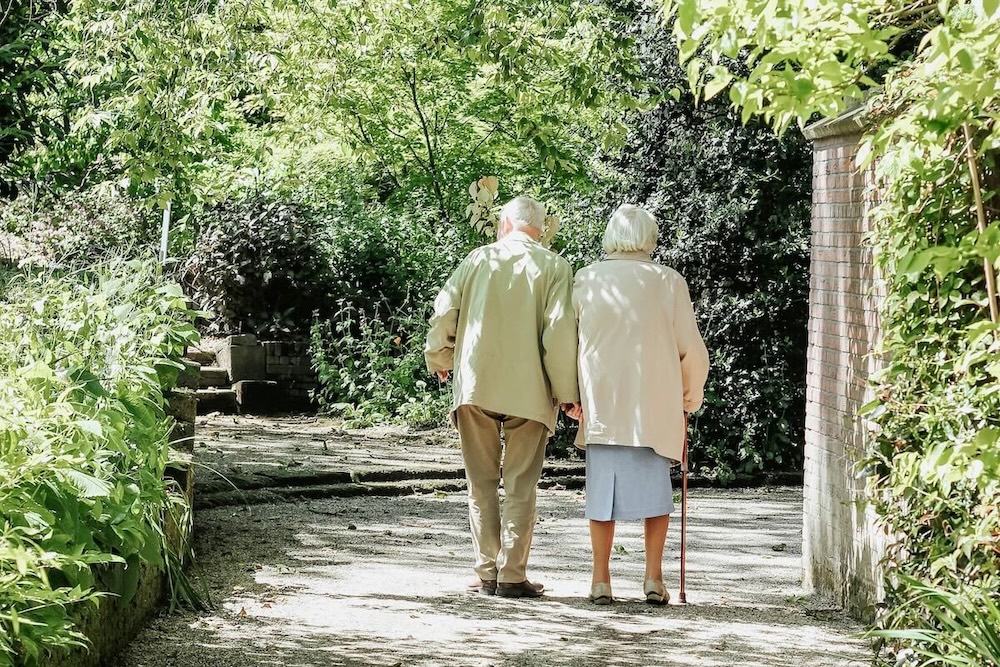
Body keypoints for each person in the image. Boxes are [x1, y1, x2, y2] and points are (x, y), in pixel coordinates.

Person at [425, 195, 580, 599]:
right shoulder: (555, 267)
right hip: (530, 391)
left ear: (505, 224)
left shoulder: (477, 260)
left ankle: (486, 571)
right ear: (540, 229)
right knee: (520, 484)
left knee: (480, 482)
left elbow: (445, 312)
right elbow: (559, 333)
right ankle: (512, 575)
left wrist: (439, 356)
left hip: (477, 384)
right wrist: (567, 393)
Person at [569, 204, 709, 606]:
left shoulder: (586, 279)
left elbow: (569, 343)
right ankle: (653, 577)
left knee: (601, 494)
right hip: (654, 403)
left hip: (604, 402)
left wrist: (571, 395)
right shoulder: (668, 282)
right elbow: (692, 350)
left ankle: (600, 579)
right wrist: (689, 395)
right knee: (656, 494)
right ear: (650, 237)